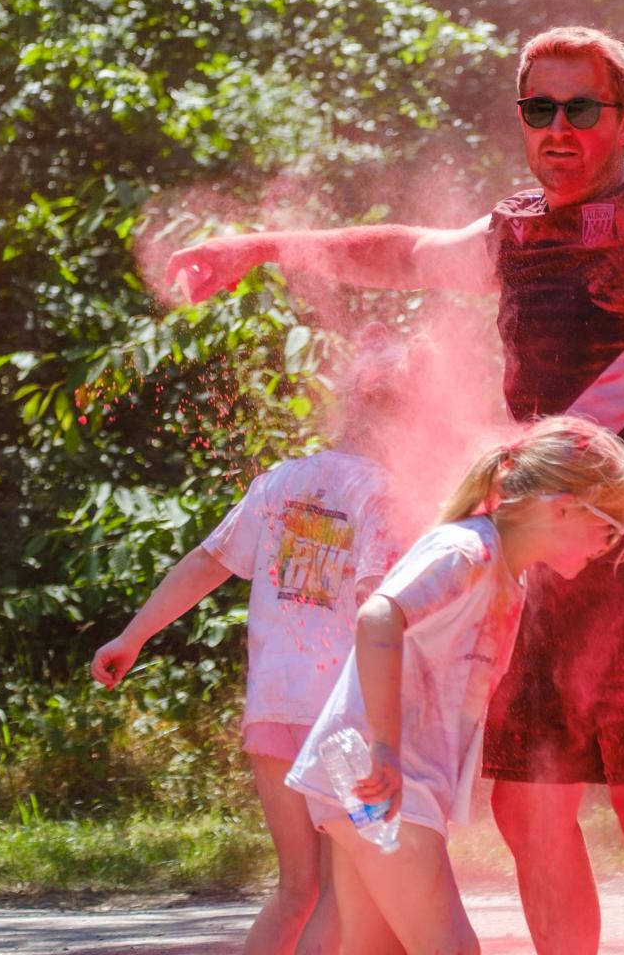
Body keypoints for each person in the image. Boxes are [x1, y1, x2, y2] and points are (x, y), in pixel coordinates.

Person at [165, 25, 624, 955]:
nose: (558, 128)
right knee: (529, 815)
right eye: (539, 109)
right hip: (529, 563)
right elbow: (400, 252)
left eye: (581, 109)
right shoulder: (515, 232)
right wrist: (261, 246)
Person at [90, 328, 415, 955]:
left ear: (347, 405)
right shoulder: (384, 494)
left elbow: (206, 563)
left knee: (297, 887)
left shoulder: (281, 482)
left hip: (271, 713)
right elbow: (380, 609)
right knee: (351, 893)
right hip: (343, 719)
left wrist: (133, 637)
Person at [285, 414, 624, 955]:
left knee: (374, 948)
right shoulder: (469, 551)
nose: (612, 545)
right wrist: (384, 747)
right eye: (611, 527)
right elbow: (378, 617)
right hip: (381, 781)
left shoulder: (507, 574)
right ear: (565, 506)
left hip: (382, 784)